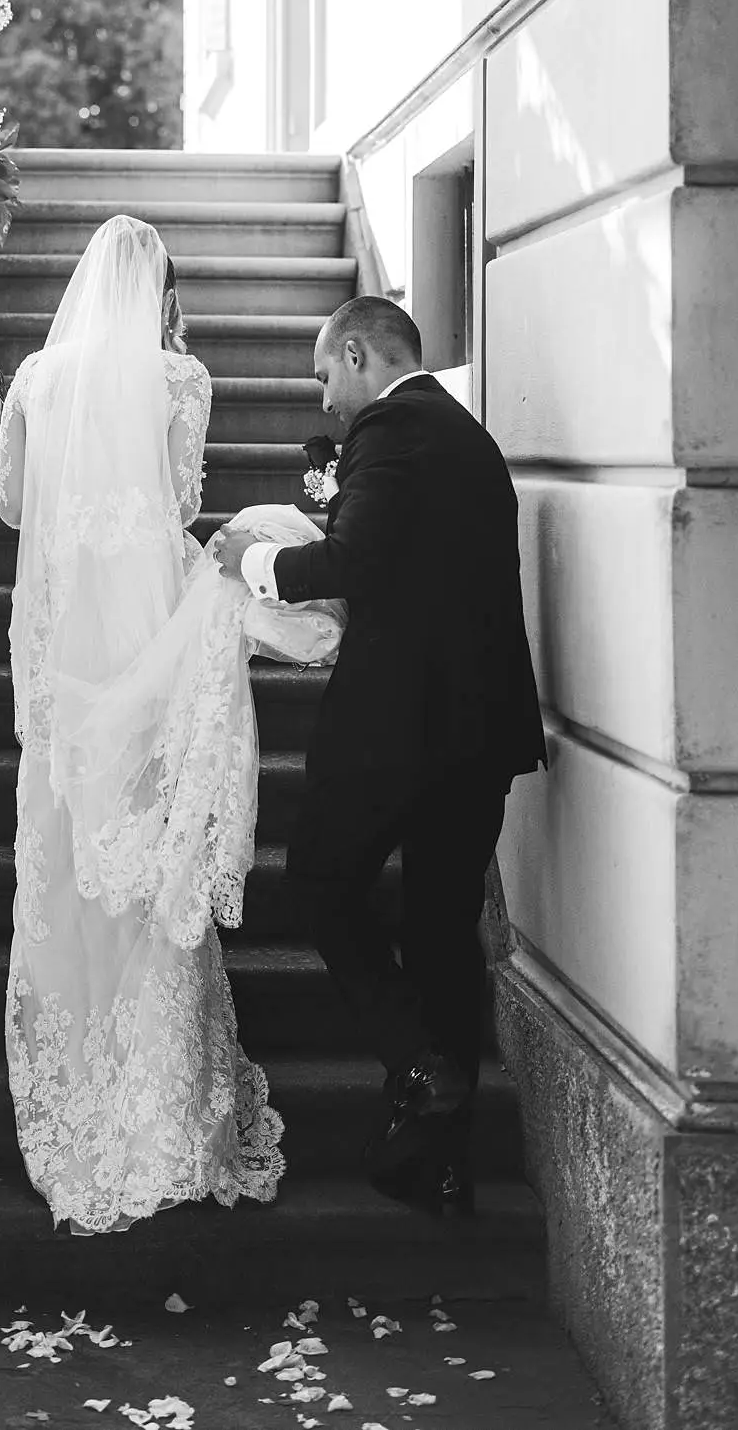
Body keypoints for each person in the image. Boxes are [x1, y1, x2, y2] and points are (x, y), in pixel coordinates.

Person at [218, 296, 546, 1214]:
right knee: (442, 928)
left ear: (358, 353)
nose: (325, 401)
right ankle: (440, 1163)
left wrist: (255, 560)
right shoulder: (461, 434)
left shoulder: (396, 426)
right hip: (478, 733)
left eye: (326, 375)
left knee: (319, 886)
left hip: (400, 730)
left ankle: (421, 1063)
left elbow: (356, 560)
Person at [0, 214, 285, 1233]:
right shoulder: (180, 379)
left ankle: (86, 1080)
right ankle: (163, 1101)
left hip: (68, 629)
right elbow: (185, 496)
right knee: (155, 836)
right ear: (157, 287)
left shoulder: (34, 373)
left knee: (78, 846)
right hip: (151, 623)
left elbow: (15, 507)